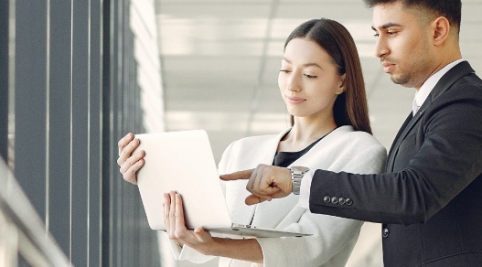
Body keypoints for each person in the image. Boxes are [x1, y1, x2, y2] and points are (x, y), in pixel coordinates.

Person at [221, 1, 482, 266]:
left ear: (438, 31)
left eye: (391, 32)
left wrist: (297, 181)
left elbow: (414, 193)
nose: (379, 49)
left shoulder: (467, 101)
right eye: (376, 34)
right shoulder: (430, 108)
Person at [118, 18, 387, 266]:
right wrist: (151, 182)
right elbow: (202, 231)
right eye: (285, 69)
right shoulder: (242, 150)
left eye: (310, 75)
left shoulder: (360, 152)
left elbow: (312, 245)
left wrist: (216, 246)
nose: (292, 85)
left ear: (342, 82)